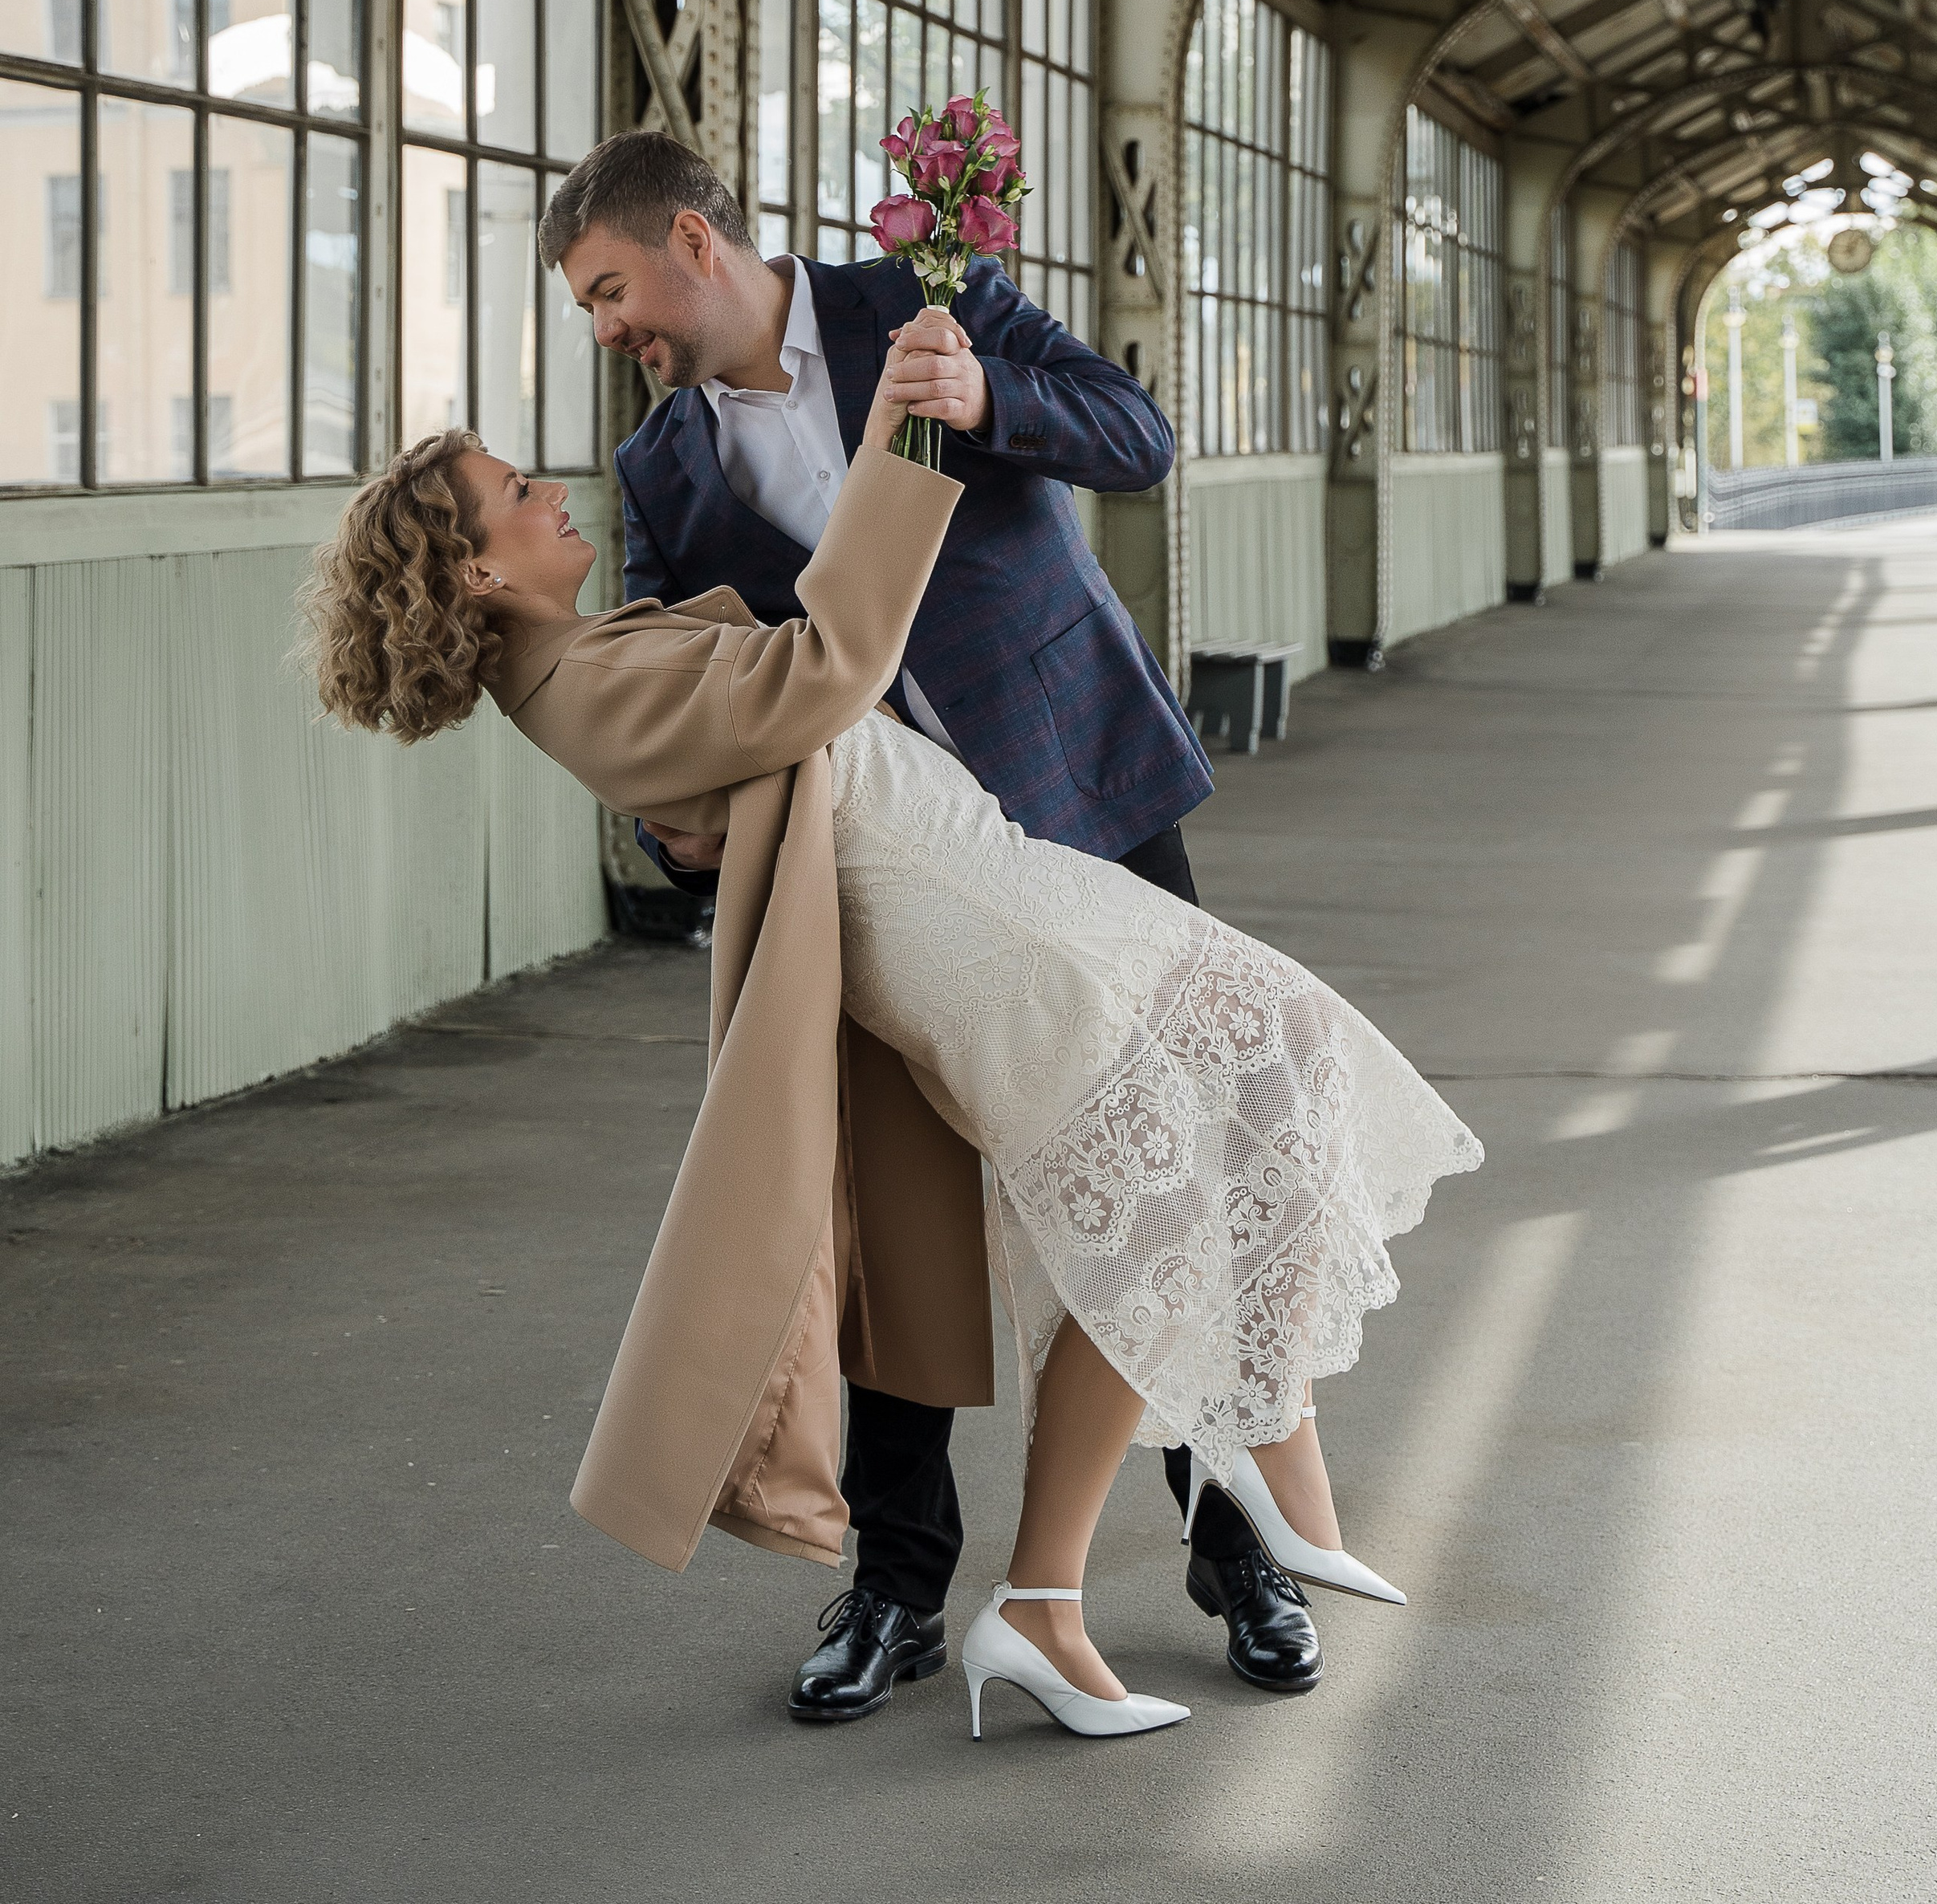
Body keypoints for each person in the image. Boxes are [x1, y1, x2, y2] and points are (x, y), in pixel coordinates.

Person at [303, 355, 1483, 1745]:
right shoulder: (586, 687)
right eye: (513, 492)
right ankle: (1096, 1576)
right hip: (983, 933)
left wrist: (729, 806)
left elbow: (761, 743)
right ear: (482, 575)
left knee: (1244, 1100)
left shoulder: (592, 655)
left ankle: (1179, 1536)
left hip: (1000, 877)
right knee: (1158, 1206)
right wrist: (902, 431)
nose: (548, 487)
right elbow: (827, 664)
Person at [537, 132, 1328, 1718]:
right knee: (893, 1233)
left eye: (610, 291)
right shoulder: (660, 473)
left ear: (695, 239)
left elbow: (1135, 436)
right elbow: (657, 672)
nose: (604, 330)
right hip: (878, 887)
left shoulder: (922, 300)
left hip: (1078, 801)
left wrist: (987, 399)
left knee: (1179, 1177)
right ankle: (899, 1587)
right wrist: (672, 827)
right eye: (586, 310)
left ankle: (1234, 1545)